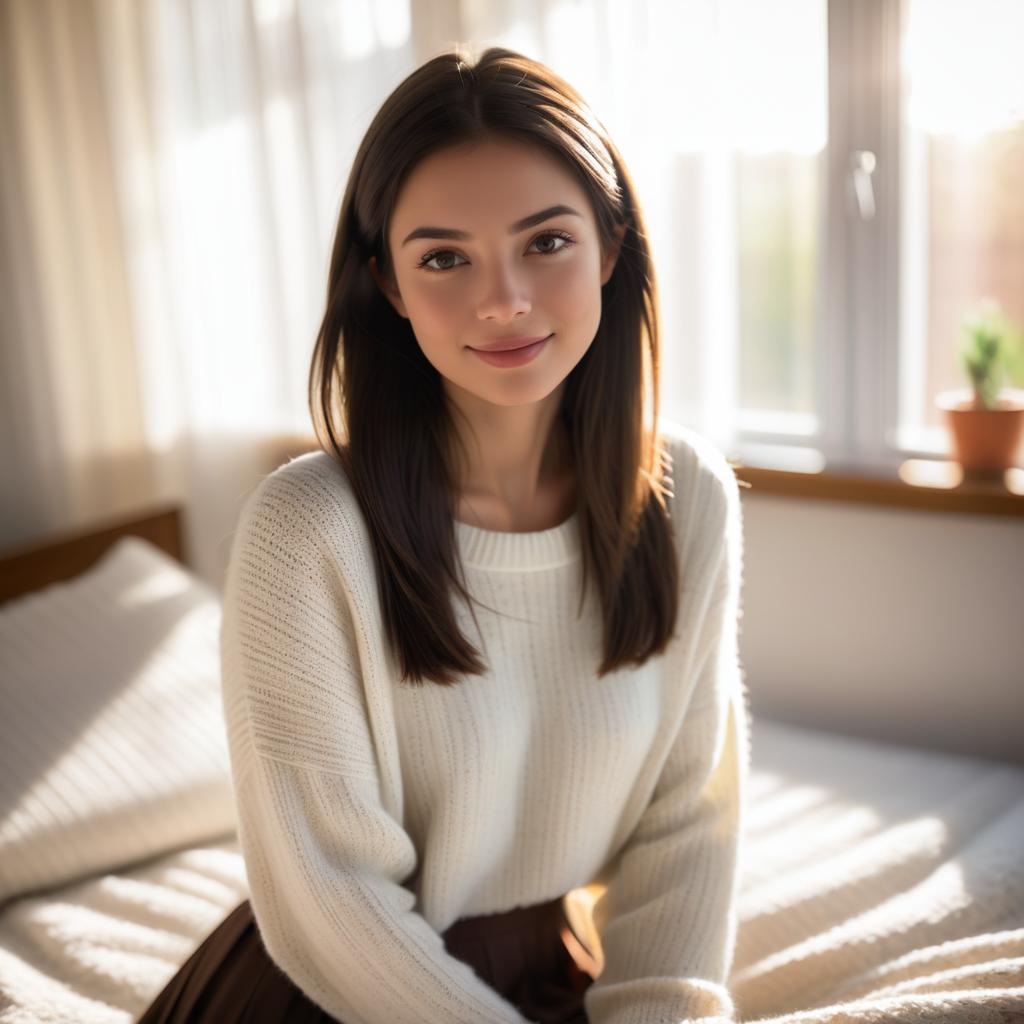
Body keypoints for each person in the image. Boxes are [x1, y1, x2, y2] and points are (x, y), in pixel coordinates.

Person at [139, 45, 750, 1024]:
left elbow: (689, 821)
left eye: (545, 242)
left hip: (550, 966)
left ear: (612, 243)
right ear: (387, 283)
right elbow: (329, 891)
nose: (501, 297)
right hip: (338, 992)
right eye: (444, 257)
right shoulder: (308, 529)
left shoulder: (690, 501)